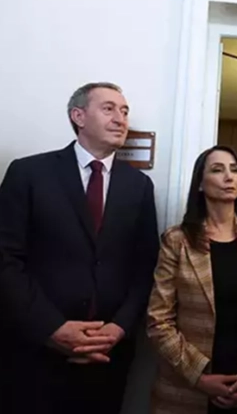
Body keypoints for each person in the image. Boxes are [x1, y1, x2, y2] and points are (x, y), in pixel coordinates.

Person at [0, 82, 159, 414]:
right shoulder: (28, 173)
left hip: (108, 356)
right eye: (109, 108)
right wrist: (51, 328)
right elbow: (6, 258)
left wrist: (118, 328)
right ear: (78, 116)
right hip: (35, 352)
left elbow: (145, 266)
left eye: (125, 111)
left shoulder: (139, 186)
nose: (121, 119)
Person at [147, 145, 237, 414]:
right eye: (217, 170)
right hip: (187, 391)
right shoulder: (177, 240)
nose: (229, 177)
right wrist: (199, 377)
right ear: (200, 184)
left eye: (234, 170)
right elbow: (159, 320)